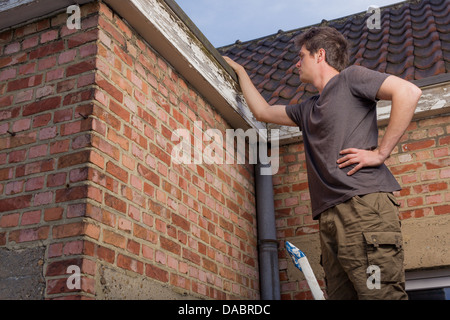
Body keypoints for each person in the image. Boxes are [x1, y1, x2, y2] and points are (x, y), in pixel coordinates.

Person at [223, 26, 422, 300]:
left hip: (363, 207)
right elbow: (263, 111)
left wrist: (380, 153)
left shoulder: (351, 78)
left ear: (320, 55)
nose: (297, 63)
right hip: (329, 217)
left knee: (381, 296)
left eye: (301, 56)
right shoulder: (307, 108)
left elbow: (408, 92)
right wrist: (240, 71)